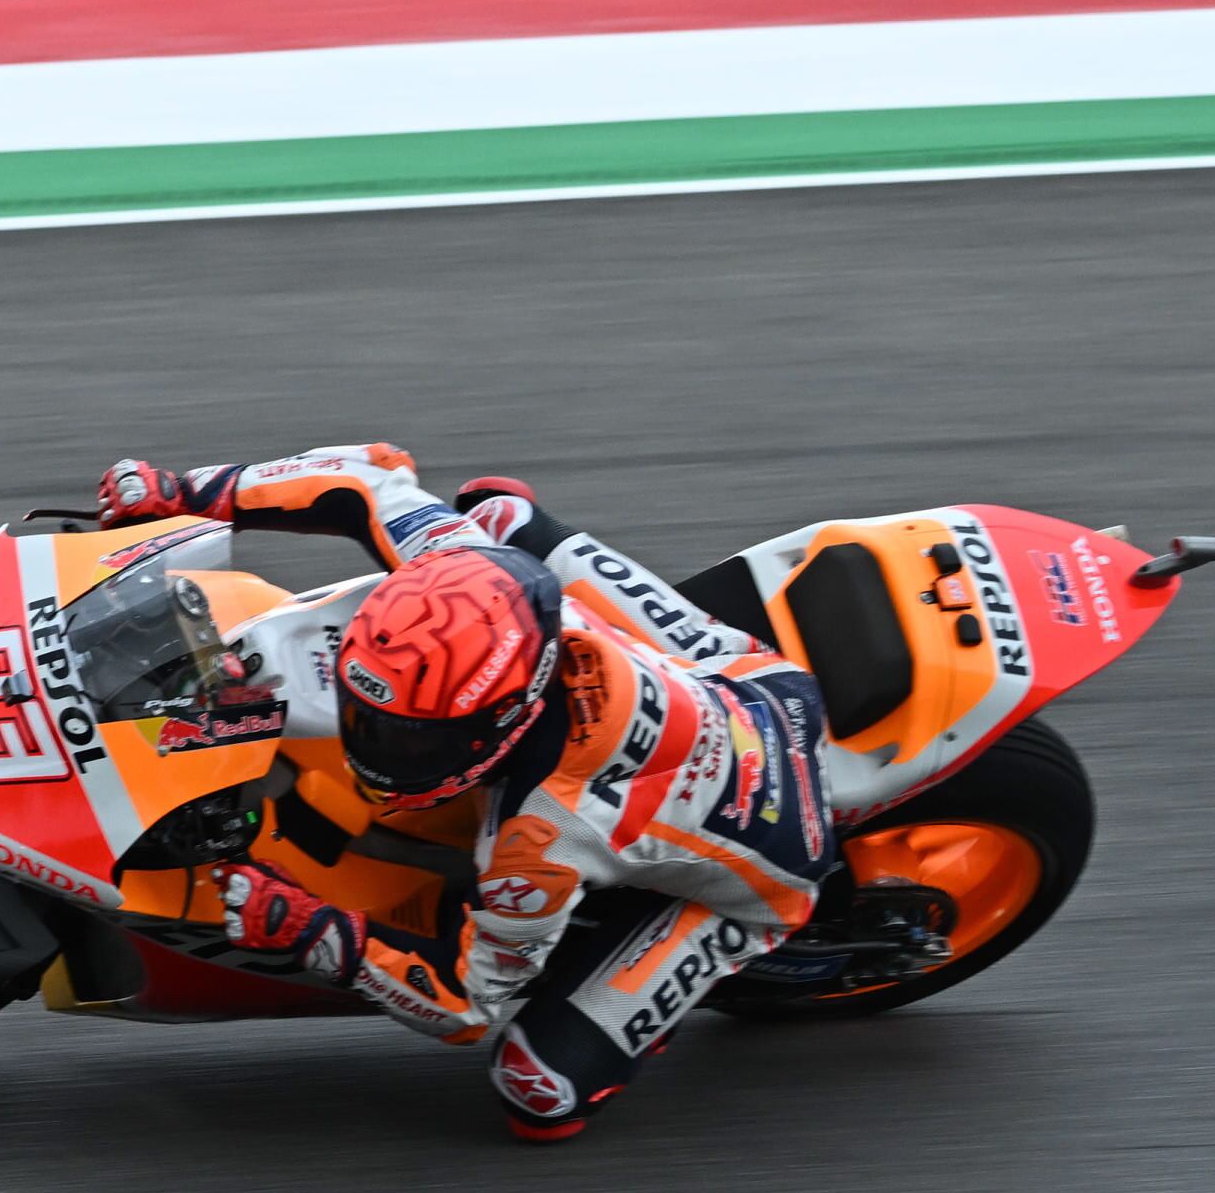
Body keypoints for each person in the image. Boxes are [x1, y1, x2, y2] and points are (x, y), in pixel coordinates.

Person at [94, 444, 840, 1139]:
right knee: (500, 518)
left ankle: (637, 949)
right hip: (746, 679)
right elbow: (366, 477)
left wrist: (314, 931)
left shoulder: (541, 836)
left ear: (503, 722)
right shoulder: (466, 562)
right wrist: (189, 494)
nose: (370, 742)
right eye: (368, 716)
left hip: (766, 866)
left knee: (538, 1090)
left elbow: (466, 1001)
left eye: (410, 737)